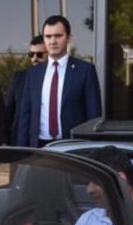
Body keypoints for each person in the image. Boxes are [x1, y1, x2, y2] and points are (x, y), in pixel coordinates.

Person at [17, 15, 101, 147]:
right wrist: (21, 151)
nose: (52, 41)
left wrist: (91, 149)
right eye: (48, 36)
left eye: (58, 36)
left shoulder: (85, 70)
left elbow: (93, 115)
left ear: (69, 38)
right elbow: (25, 115)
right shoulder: (33, 74)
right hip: (39, 146)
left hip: (73, 146)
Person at [5, 35, 45, 144]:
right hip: (20, 138)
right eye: (31, 54)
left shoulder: (57, 78)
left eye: (39, 54)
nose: (35, 58)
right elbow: (8, 110)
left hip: (45, 138)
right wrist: (4, 139)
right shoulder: (19, 77)